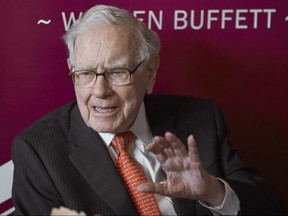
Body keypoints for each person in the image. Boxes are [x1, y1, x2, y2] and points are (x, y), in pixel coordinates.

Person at [12, 4, 285, 216]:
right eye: (84, 73)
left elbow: (270, 207)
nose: (99, 91)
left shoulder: (202, 119)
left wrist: (213, 192)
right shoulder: (39, 152)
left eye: (117, 72)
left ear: (150, 72)